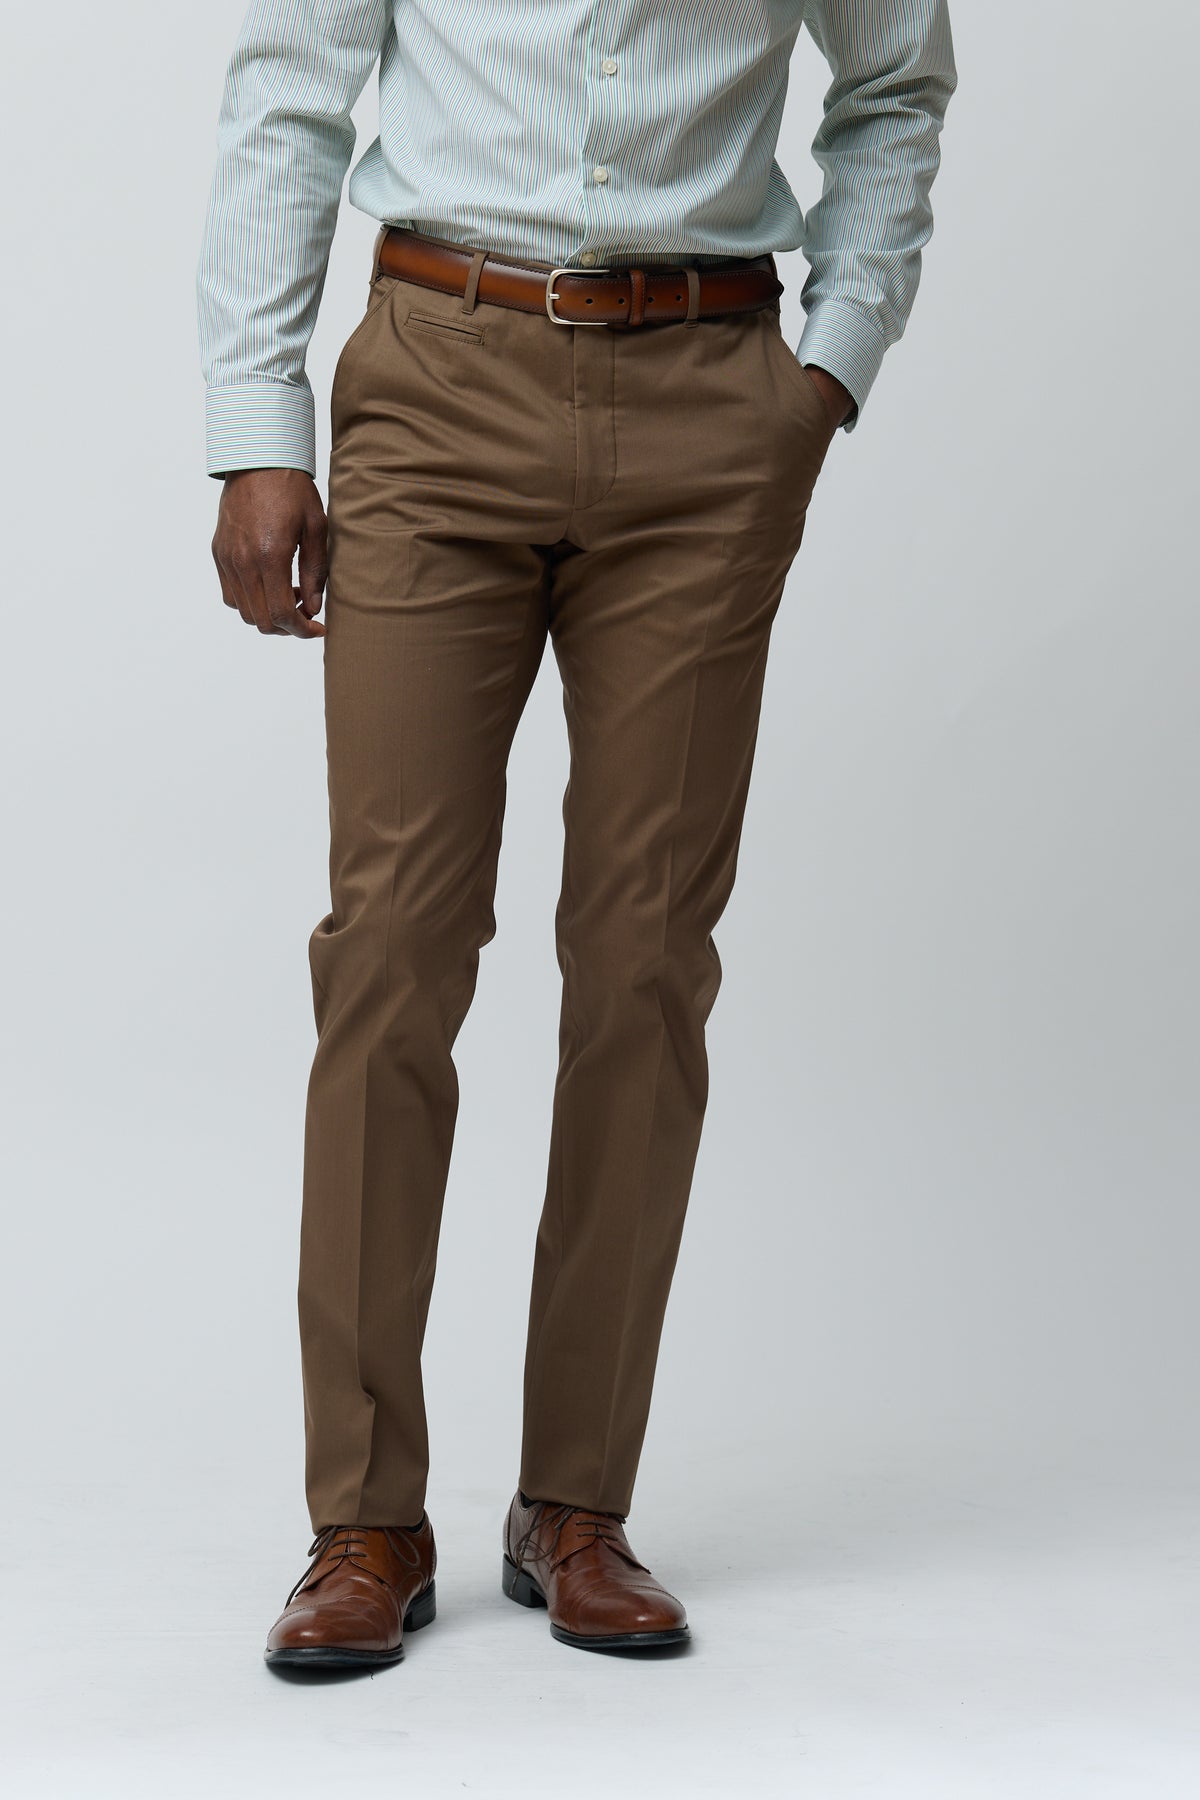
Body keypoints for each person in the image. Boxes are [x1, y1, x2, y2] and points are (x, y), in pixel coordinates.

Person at [196, 0, 957, 1668]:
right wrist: (255, 425)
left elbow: (896, 80)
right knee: (391, 950)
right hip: (437, 376)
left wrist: (828, 370)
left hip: (708, 404)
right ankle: (363, 1518)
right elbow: (291, 90)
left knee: (644, 963)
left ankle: (578, 1502)